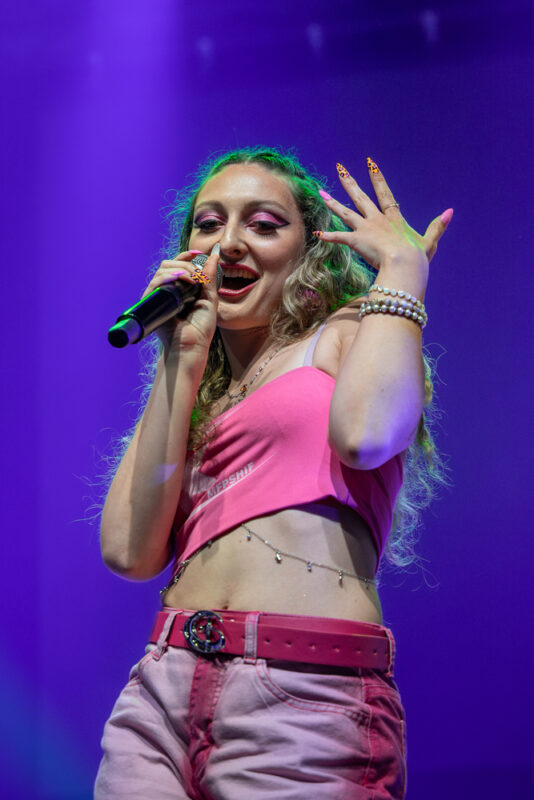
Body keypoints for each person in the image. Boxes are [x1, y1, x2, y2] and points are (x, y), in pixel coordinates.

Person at [94, 147, 451, 800]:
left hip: (302, 689)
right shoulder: (198, 391)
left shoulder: (343, 333)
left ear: (309, 251)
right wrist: (183, 356)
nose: (229, 242)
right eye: (209, 223)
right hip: (162, 690)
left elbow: (368, 436)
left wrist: (402, 269)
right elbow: (127, 550)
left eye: (262, 224)